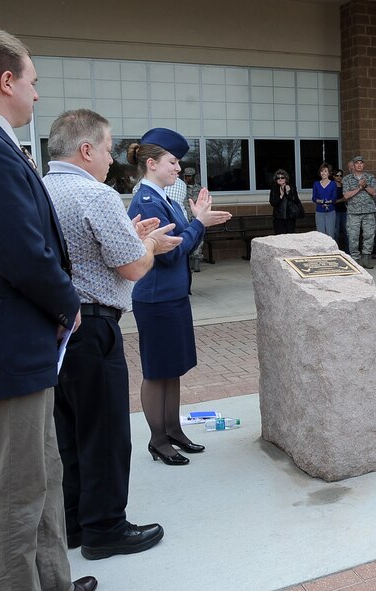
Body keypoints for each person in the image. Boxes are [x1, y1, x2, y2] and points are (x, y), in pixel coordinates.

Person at [0, 28, 97, 591]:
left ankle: (53, 580)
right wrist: (67, 301)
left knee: (44, 479)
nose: (37, 95)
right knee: (12, 500)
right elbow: (23, 253)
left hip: (23, 348)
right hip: (7, 352)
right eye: (32, 82)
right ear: (6, 81)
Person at [44, 109, 181, 560]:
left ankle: (74, 522)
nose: (111, 159)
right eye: (106, 149)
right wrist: (148, 244)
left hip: (58, 327)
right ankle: (105, 528)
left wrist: (130, 233)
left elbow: (83, 248)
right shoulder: (95, 193)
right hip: (94, 325)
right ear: (86, 150)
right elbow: (133, 266)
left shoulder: (41, 188)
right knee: (104, 432)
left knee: (69, 431)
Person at [127, 127, 231, 466]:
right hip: (156, 298)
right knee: (157, 371)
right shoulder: (146, 200)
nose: (177, 168)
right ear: (152, 163)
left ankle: (172, 430)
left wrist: (198, 223)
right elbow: (170, 253)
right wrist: (198, 222)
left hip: (169, 296)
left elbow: (183, 245)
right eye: (172, 162)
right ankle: (158, 439)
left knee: (171, 368)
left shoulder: (162, 197)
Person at [343, 155, 376, 268]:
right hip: (353, 212)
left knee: (369, 235)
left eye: (361, 163)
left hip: (368, 211)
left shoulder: (370, 177)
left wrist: (365, 185)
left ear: (363, 165)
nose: (359, 165)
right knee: (353, 236)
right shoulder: (347, 179)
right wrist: (359, 188)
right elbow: (346, 195)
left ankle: (366, 258)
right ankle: (355, 259)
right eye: (357, 163)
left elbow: (374, 193)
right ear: (353, 166)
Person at [183, 167, 204, 271]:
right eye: (186, 176)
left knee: (198, 240)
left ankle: (196, 262)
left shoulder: (200, 189)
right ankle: (188, 261)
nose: (187, 178)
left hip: (197, 218)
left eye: (189, 176)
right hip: (185, 218)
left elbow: (204, 203)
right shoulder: (181, 188)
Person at [269, 169, 301, 235]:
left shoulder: (291, 186)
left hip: (290, 216)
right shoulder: (274, 188)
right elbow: (273, 203)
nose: (280, 179)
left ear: (286, 178)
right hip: (278, 217)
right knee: (279, 236)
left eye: (282, 177)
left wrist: (288, 192)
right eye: (278, 178)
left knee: (290, 237)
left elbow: (296, 200)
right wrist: (281, 196)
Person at [312, 162, 338, 239]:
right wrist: (319, 201)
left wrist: (329, 201)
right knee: (320, 235)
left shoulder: (333, 184)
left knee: (330, 234)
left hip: (330, 211)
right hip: (319, 211)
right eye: (322, 171)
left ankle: (332, 251)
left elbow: (334, 197)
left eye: (325, 171)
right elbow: (314, 198)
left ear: (329, 173)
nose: (323, 173)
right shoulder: (316, 184)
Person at [333, 168, 348, 251]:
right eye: (337, 175)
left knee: (347, 232)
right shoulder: (332, 186)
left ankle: (348, 251)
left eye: (341, 176)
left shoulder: (344, 186)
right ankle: (336, 251)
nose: (339, 177)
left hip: (344, 210)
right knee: (336, 233)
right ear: (333, 176)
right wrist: (342, 200)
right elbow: (331, 201)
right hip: (335, 211)